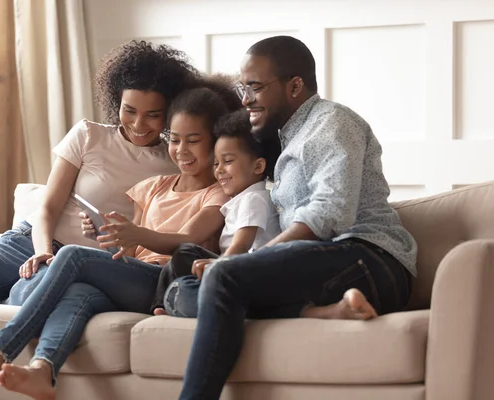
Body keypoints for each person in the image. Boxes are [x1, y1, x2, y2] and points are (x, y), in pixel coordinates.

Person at [0, 84, 240, 400]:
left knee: (74, 255)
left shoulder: (218, 194)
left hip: (165, 284)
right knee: (79, 293)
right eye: (173, 139)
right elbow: (127, 254)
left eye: (194, 141)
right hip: (135, 279)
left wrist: (134, 234)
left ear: (215, 142)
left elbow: (187, 240)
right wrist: (106, 236)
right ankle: (43, 371)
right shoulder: (155, 186)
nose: (181, 150)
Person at [0, 40, 199, 334]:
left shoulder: (175, 161)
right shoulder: (88, 135)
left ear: (170, 112)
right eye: (129, 110)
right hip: (27, 245)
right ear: (115, 99)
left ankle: (9, 299)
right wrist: (43, 254)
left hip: (86, 269)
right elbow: (47, 208)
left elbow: (159, 235)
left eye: (153, 115)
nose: (138, 123)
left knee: (23, 299)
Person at [176, 35, 418, 400]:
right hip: (329, 263)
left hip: (370, 259)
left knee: (223, 277)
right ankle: (327, 312)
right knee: (183, 288)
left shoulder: (331, 122)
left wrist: (250, 262)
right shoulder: (290, 138)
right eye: (243, 88)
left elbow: (330, 211)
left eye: (255, 87)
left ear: (294, 86)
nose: (245, 99)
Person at [150, 108, 282, 316]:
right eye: (216, 163)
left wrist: (219, 265)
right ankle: (165, 304)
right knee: (185, 258)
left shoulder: (254, 198)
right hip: (234, 268)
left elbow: (242, 244)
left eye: (227, 162)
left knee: (186, 251)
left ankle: (161, 305)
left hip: (246, 271)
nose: (219, 170)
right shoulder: (240, 200)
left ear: (258, 166)